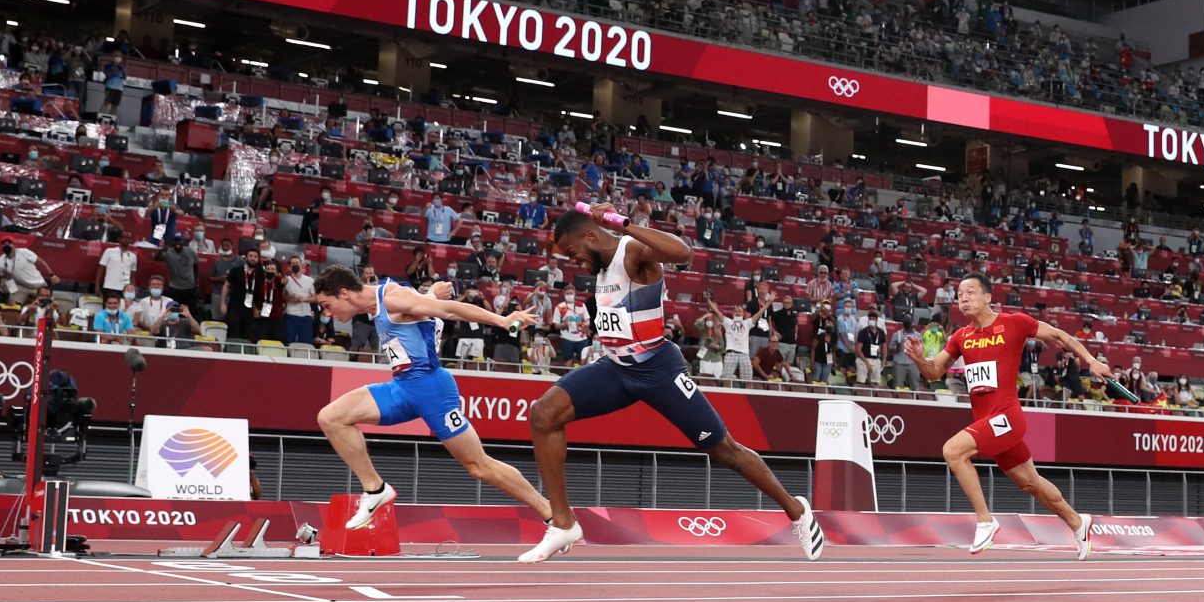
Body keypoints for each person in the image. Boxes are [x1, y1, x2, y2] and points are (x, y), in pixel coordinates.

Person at [520, 204, 825, 562]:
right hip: (617, 368)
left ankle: (796, 510)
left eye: (574, 253)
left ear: (591, 235)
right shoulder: (601, 268)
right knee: (544, 414)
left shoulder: (631, 251)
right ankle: (563, 523)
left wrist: (624, 224)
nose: (576, 263)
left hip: (658, 370)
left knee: (724, 448)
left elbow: (683, 253)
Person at [311, 266, 553, 528]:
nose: (327, 313)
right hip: (401, 389)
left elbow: (450, 310)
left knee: (479, 466)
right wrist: (431, 294)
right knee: (331, 417)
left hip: (432, 391)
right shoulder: (383, 297)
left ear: (344, 294)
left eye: (326, 304)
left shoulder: (391, 298)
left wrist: (502, 320)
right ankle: (375, 490)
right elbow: (417, 311)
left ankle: (553, 514)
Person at [903, 271, 1102, 558]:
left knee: (953, 451)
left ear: (988, 297)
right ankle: (1077, 522)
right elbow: (934, 372)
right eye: (959, 294)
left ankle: (985, 520)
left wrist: (1091, 360)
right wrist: (920, 360)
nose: (963, 297)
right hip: (987, 422)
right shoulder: (961, 337)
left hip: (1007, 416)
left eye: (970, 292)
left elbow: (1059, 335)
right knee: (1030, 482)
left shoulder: (1014, 323)